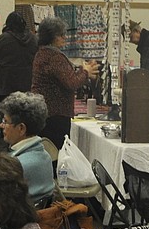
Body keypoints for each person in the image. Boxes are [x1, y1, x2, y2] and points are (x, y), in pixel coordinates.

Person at [30, 17, 99, 150]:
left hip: (45, 112)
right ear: (52, 37)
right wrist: (85, 72)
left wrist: (83, 71)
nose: (64, 38)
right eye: (61, 35)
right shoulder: (54, 57)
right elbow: (71, 82)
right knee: (57, 153)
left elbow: (66, 77)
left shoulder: (42, 53)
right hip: (55, 115)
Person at [0, 91, 56, 206]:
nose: (1, 125)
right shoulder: (44, 155)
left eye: (5, 121)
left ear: (21, 128)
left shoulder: (16, 166)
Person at [0, 11, 38, 113]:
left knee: (7, 115)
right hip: (27, 83)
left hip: (6, 84)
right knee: (25, 114)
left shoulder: (4, 38)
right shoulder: (33, 38)